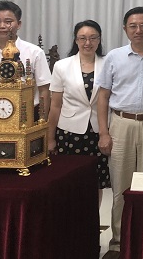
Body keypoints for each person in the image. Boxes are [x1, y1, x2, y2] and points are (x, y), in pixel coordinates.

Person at [96, 7, 143, 259]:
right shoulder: (114, 57)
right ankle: (119, 243)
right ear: (125, 29)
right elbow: (103, 97)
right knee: (121, 187)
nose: (138, 30)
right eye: (133, 26)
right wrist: (104, 133)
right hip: (121, 125)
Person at [47, 20, 111, 205]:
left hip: (99, 131)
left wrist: (105, 133)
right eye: (82, 38)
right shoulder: (62, 66)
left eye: (92, 38)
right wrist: (50, 138)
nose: (87, 43)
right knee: (69, 180)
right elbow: (55, 105)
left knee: (96, 181)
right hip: (69, 133)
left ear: (99, 40)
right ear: (75, 40)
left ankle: (93, 218)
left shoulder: (108, 63)